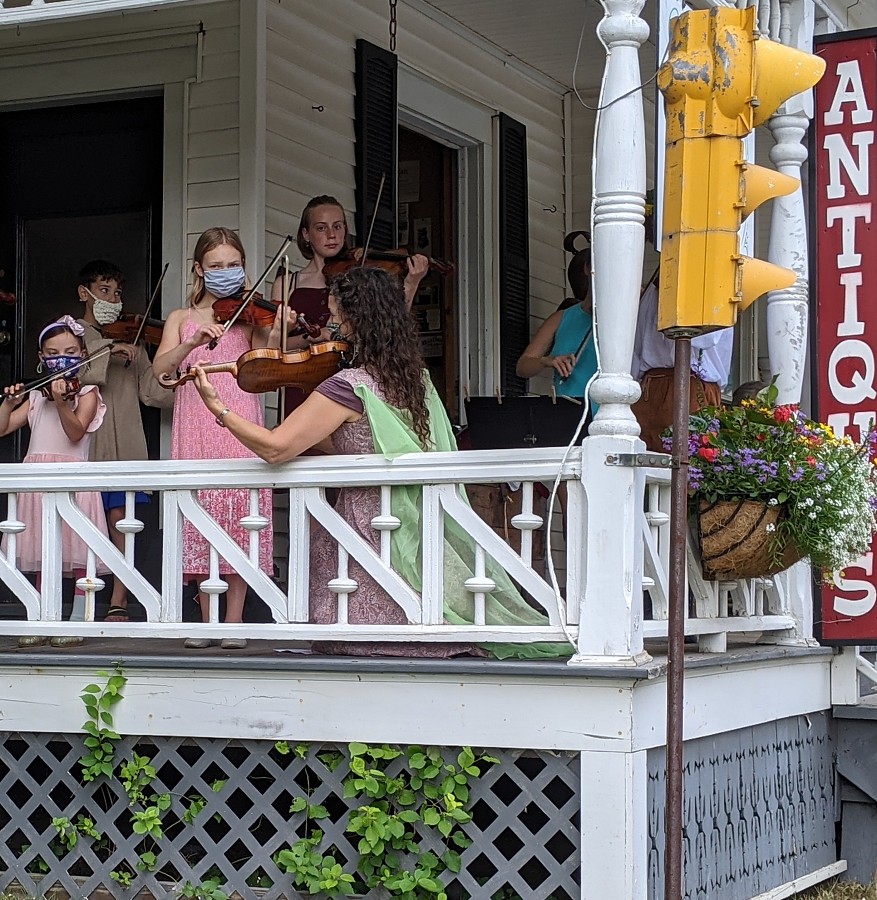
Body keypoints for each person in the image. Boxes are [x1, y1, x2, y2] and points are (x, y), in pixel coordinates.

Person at [190, 266, 572, 660]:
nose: (331, 326)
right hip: (415, 522)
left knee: (354, 636)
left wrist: (219, 408)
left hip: (364, 531)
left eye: (337, 316)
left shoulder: (348, 385)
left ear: (357, 321)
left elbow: (275, 448)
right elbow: (366, 442)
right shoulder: (415, 381)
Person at [152, 227, 279, 649]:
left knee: (239, 511)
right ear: (198, 270)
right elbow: (161, 372)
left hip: (238, 417)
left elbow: (271, 356)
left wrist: (283, 322)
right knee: (203, 512)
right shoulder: (179, 319)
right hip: (196, 422)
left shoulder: (249, 314)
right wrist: (191, 341)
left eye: (234, 265)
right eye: (216, 266)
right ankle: (206, 620)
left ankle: (235, 620)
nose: (227, 273)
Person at [0, 316, 109, 648]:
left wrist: (62, 402)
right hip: (38, 479)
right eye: (53, 353)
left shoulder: (88, 392)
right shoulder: (36, 397)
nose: (61, 358)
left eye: (71, 351)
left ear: (82, 353)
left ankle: (79, 620)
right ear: (41, 357)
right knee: (40, 550)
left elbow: (75, 431)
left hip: (73, 479)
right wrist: (8, 403)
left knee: (79, 555)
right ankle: (39, 616)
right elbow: (3, 428)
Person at [270, 195, 429, 416]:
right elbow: (275, 345)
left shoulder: (360, 279)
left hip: (350, 379)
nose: (332, 235)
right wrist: (313, 336)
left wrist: (411, 283)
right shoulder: (287, 283)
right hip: (301, 381)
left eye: (337, 226)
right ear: (306, 234)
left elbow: (390, 327)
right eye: (321, 228)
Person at [76, 259, 173, 623]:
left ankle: (119, 597)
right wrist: (106, 349)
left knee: (122, 519)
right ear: (83, 293)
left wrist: (178, 370)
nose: (112, 299)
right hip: (87, 440)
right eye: (104, 291)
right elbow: (75, 373)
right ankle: (83, 598)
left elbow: (152, 392)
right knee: (84, 520)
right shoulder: (71, 332)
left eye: (117, 292)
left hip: (126, 440)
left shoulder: (133, 339)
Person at [631, 278, 734, 451]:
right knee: (687, 460)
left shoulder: (713, 286)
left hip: (683, 385)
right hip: (679, 384)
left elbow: (708, 338)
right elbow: (706, 336)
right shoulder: (713, 290)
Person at [515, 231, 597, 421]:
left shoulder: (622, 317)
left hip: (609, 416)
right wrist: (547, 360)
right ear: (587, 268)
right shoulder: (561, 318)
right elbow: (522, 367)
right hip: (567, 415)